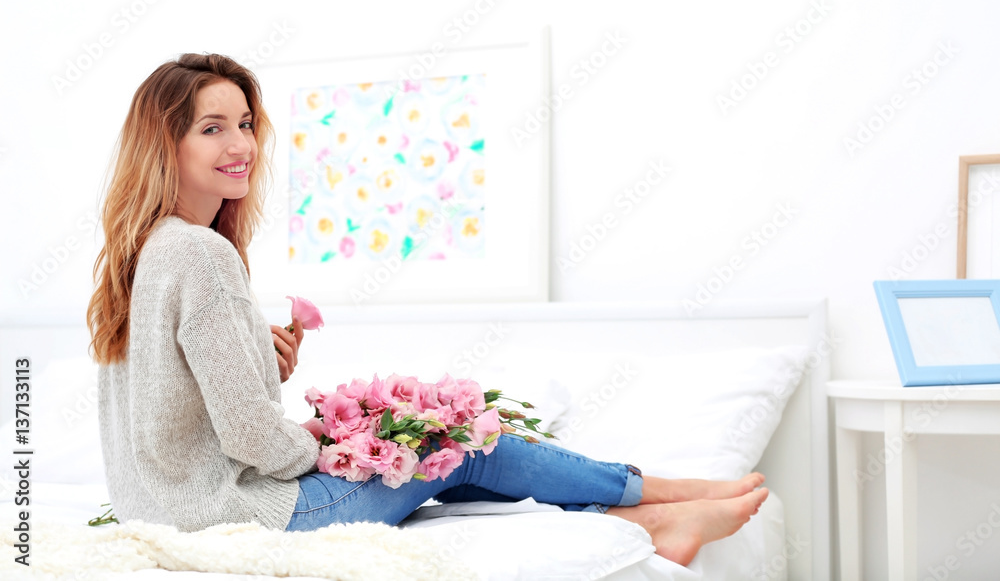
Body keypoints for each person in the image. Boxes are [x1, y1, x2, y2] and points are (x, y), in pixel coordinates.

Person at [87, 52, 768, 566]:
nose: (240, 146)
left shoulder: (146, 251)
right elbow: (249, 437)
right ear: (166, 144)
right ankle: (660, 496)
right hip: (247, 518)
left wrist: (259, 363)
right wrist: (331, 446)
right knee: (464, 440)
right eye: (212, 128)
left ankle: (645, 518)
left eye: (244, 123)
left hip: (166, 515)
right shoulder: (203, 254)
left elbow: (181, 412)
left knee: (440, 449)